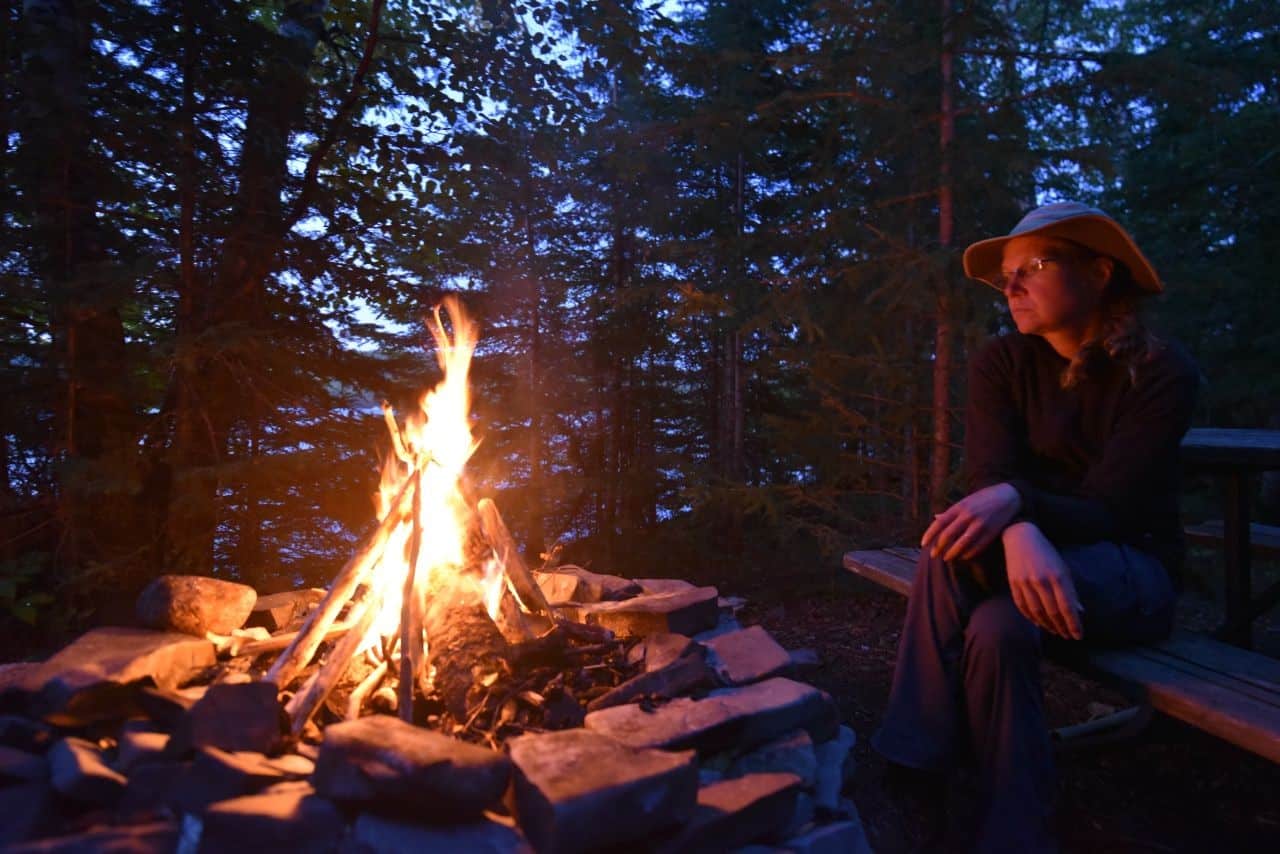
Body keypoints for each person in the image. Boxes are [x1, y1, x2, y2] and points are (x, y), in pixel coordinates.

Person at [871, 201, 1200, 853]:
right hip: (1027, 563)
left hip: (1133, 571)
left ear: (1099, 273)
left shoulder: (1161, 372)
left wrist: (1014, 507)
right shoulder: (1003, 363)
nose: (1012, 286)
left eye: (1034, 266)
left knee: (946, 554)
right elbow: (988, 477)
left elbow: (1113, 507)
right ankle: (1016, 827)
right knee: (996, 627)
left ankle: (914, 763)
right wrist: (1019, 528)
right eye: (1006, 277)